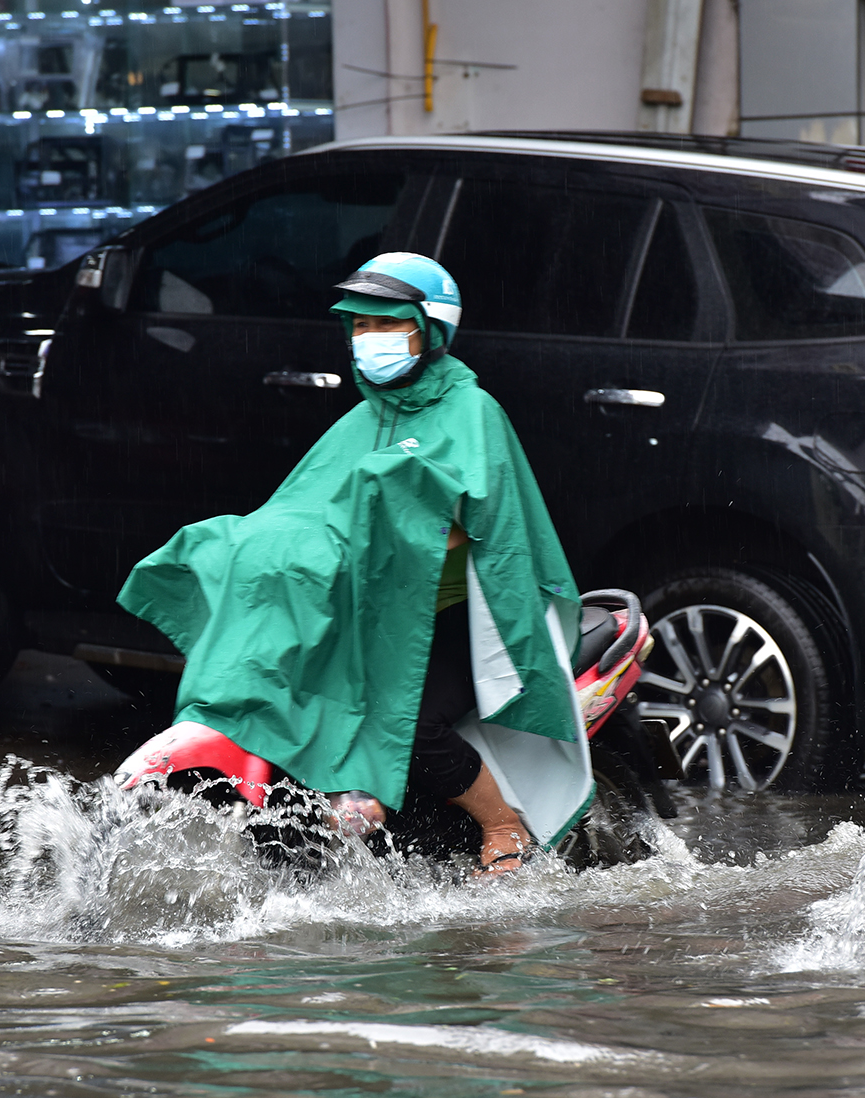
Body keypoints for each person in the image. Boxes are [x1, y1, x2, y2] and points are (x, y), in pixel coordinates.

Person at [116, 252, 592, 876]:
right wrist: (248, 546)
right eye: (360, 328)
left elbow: (477, 531)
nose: (370, 340)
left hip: (458, 619)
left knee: (410, 726)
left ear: (431, 330)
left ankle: (502, 824)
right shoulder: (363, 419)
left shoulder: (474, 414)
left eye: (387, 325)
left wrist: (400, 525)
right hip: (373, 618)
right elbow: (305, 511)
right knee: (288, 684)